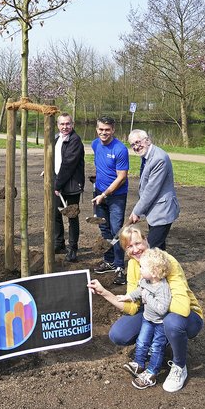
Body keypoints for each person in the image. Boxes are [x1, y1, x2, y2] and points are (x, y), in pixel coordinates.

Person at [89, 223, 203, 393]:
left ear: (146, 240)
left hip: (186, 317)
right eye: (129, 247)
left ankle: (179, 366)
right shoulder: (135, 265)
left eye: (137, 243)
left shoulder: (165, 262)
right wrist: (105, 293)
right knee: (118, 334)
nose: (135, 250)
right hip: (154, 311)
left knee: (171, 322)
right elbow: (133, 307)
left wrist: (148, 297)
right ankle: (158, 346)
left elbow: (182, 308)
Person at [117, 247, 173, 389]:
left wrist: (147, 297)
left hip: (160, 323)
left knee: (156, 347)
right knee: (141, 341)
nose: (140, 269)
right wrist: (127, 297)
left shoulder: (162, 287)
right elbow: (139, 290)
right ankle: (138, 364)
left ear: (154, 272)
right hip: (147, 319)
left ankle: (152, 373)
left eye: (143, 267)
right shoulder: (145, 281)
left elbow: (162, 308)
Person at [91, 116, 129, 285]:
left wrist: (104, 194)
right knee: (104, 228)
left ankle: (120, 267)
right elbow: (100, 165)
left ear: (113, 130)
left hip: (116, 197)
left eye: (107, 129)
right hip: (99, 193)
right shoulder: (95, 144)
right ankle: (109, 260)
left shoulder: (120, 149)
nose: (104, 132)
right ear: (97, 129)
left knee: (116, 231)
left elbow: (121, 177)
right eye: (101, 129)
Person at [128, 129, 180, 250]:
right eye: (132, 145)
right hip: (155, 211)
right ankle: (164, 268)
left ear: (147, 140)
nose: (136, 147)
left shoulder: (159, 159)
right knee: (159, 250)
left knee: (150, 250)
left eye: (138, 142)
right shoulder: (147, 155)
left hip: (163, 211)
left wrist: (137, 211)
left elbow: (151, 190)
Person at [54, 113, 85, 263]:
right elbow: (54, 159)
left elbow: (68, 164)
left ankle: (73, 249)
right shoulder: (56, 139)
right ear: (58, 125)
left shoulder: (75, 140)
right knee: (56, 214)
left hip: (71, 185)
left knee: (72, 216)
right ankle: (59, 244)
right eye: (62, 124)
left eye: (68, 124)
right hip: (58, 182)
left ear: (72, 124)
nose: (65, 127)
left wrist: (57, 185)